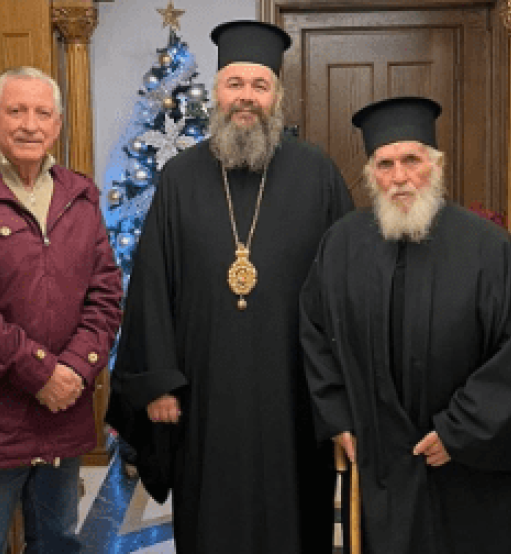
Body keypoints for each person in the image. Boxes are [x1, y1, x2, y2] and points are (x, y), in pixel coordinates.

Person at [106, 20, 353, 554]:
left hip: (296, 396)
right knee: (212, 520)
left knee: (296, 520)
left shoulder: (319, 175)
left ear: (278, 96)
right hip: (204, 397)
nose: (246, 97)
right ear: (216, 93)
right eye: (234, 84)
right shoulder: (179, 178)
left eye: (259, 86)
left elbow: (346, 289)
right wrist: (158, 381)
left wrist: (339, 395)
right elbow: (151, 282)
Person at [300, 97, 511, 553]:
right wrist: (337, 418)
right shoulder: (340, 245)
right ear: (371, 174)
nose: (399, 177)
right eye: (385, 164)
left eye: (411, 160)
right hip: (381, 461)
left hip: (469, 465)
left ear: (436, 165)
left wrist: (458, 431)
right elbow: (315, 335)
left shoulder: (488, 248)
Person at [0, 67, 122, 554]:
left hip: (65, 413)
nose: (29, 125)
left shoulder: (81, 196)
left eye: (42, 113)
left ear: (58, 125)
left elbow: (106, 294)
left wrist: (76, 369)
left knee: (57, 542)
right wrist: (40, 373)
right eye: (16, 112)